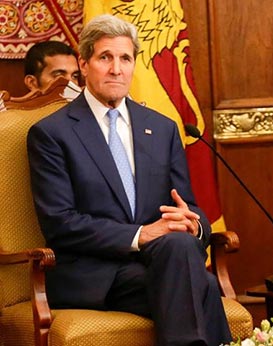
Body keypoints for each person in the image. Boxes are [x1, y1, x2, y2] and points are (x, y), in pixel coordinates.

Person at [27, 15, 231, 346]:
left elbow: (188, 205)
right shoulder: (52, 133)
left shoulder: (162, 128)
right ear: (84, 63)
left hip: (160, 262)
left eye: (125, 58)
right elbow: (59, 223)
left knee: (181, 244)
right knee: (202, 284)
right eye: (105, 57)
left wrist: (192, 225)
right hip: (95, 272)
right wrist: (141, 234)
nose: (116, 69)